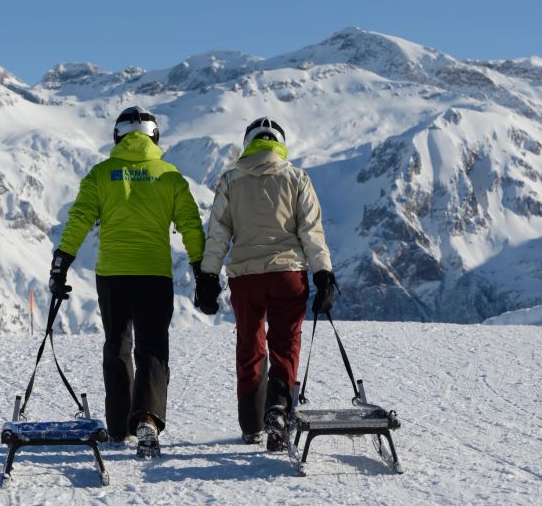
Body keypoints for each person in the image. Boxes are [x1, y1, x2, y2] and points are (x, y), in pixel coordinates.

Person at [48, 105, 205, 458]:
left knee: (117, 345)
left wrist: (62, 263)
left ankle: (118, 427)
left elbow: (79, 220)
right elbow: (191, 225)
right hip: (154, 273)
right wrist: (200, 269)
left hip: (112, 274)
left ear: (117, 136)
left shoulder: (101, 174)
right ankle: (147, 419)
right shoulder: (170, 175)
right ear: (155, 136)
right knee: (151, 347)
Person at [195, 117, 337, 451]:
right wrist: (323, 274)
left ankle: (251, 425)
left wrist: (208, 276)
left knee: (250, 344)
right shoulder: (297, 178)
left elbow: (218, 234)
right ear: (279, 143)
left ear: (249, 143)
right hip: (288, 274)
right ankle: (278, 413)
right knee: (285, 344)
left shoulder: (230, 180)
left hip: (245, 278)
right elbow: (311, 233)